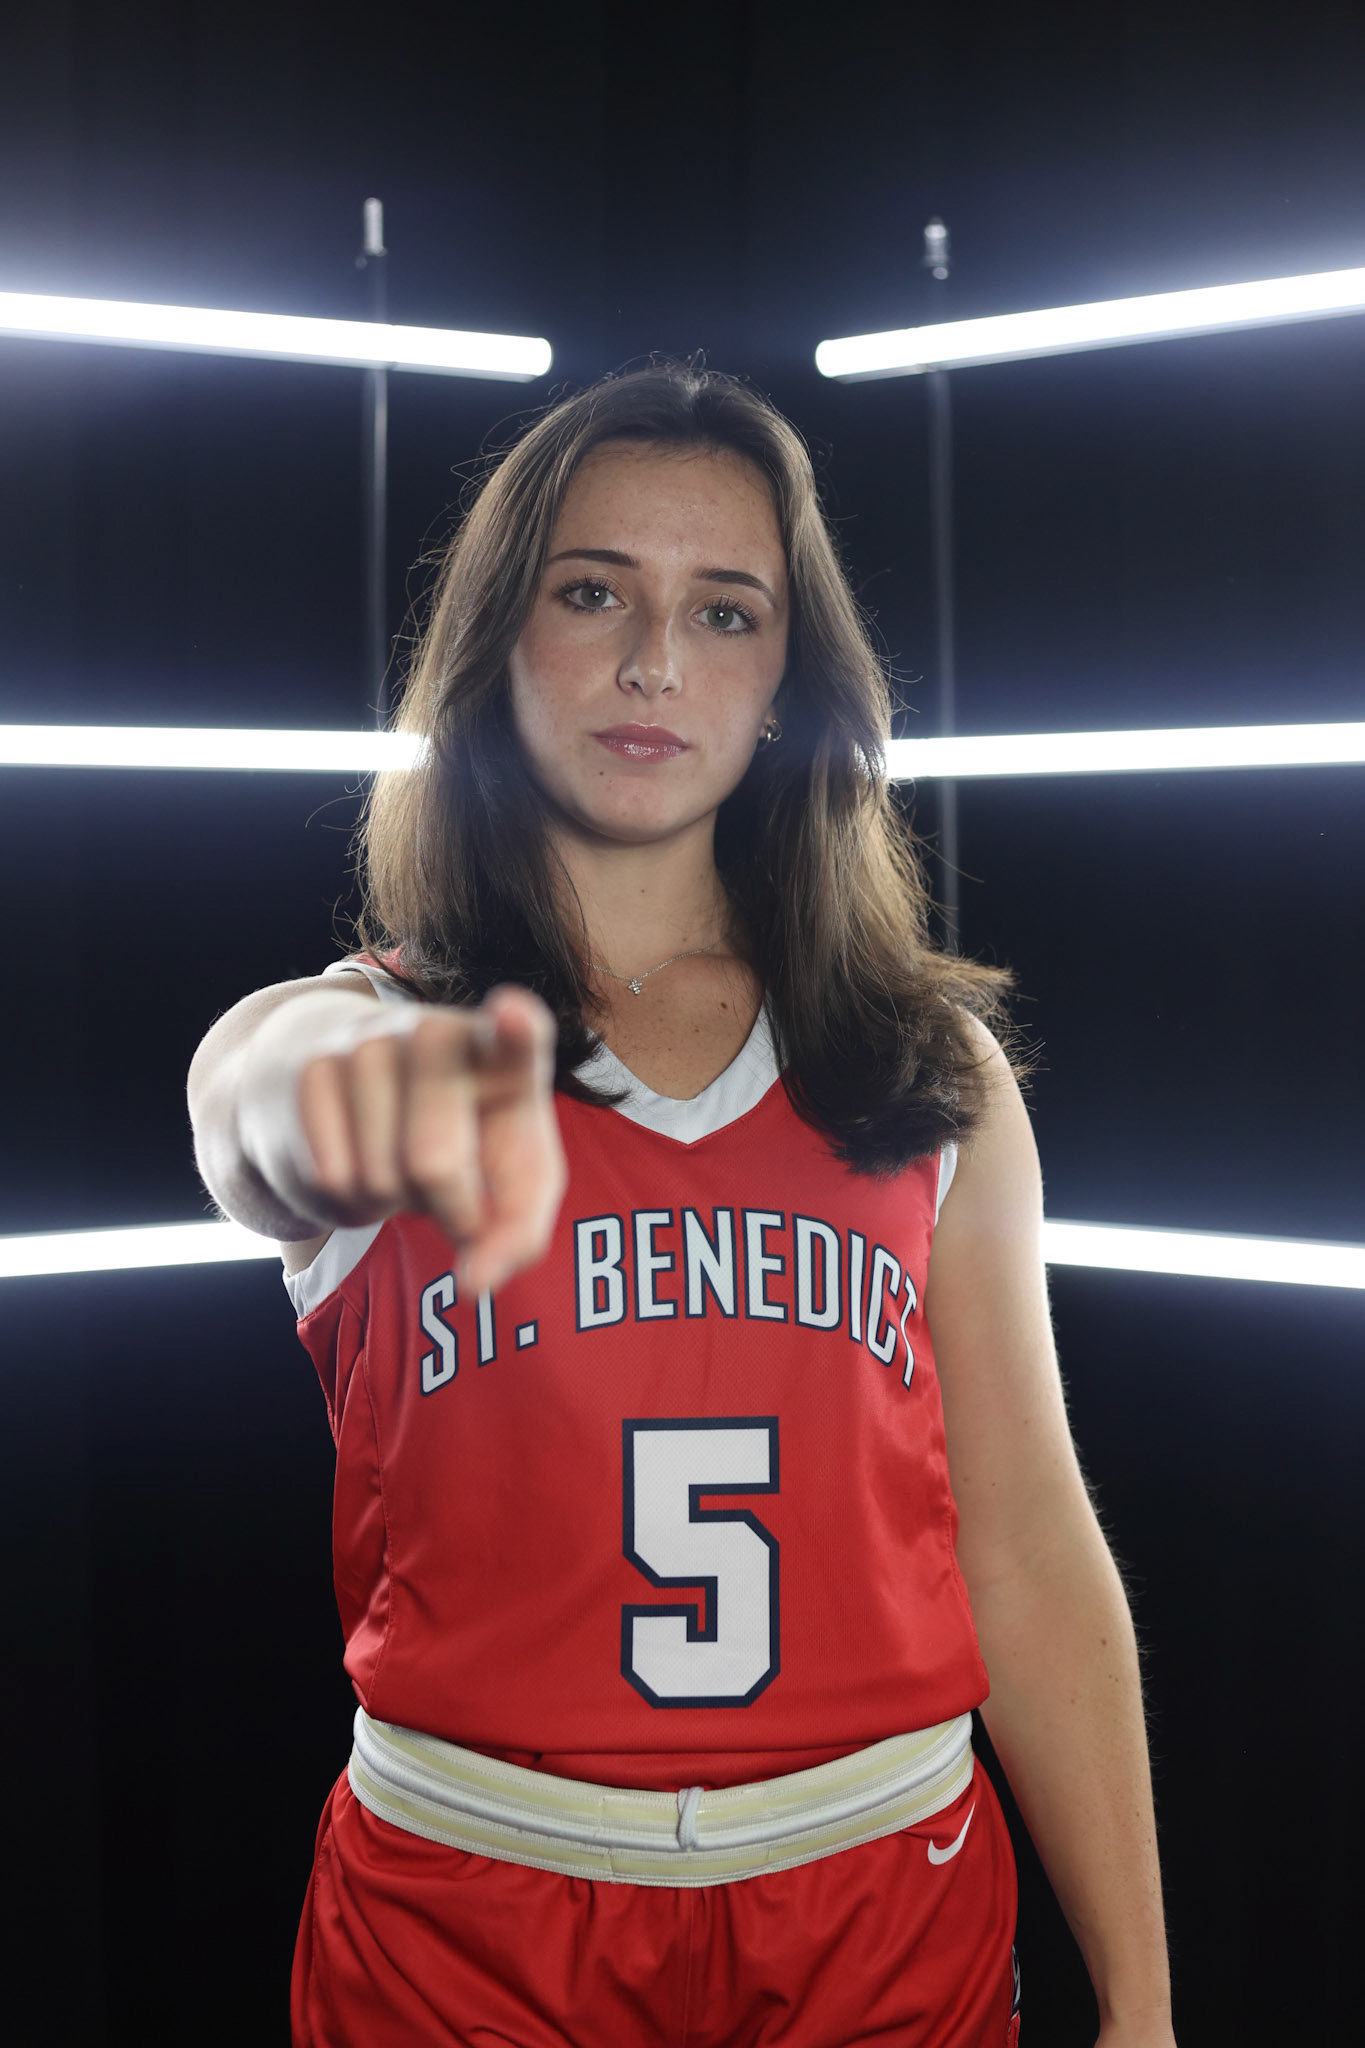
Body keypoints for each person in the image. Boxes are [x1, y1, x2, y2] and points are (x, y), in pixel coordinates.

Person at [188, 361, 1177, 2048]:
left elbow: (1019, 1548)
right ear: (500, 638)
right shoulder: (370, 1027)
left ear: (791, 681)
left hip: (878, 1890)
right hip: (469, 1912)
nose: (654, 661)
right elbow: (246, 1111)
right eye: (594, 594)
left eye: (726, 612)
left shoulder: (922, 1066)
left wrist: (1143, 2002)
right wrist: (313, 1106)